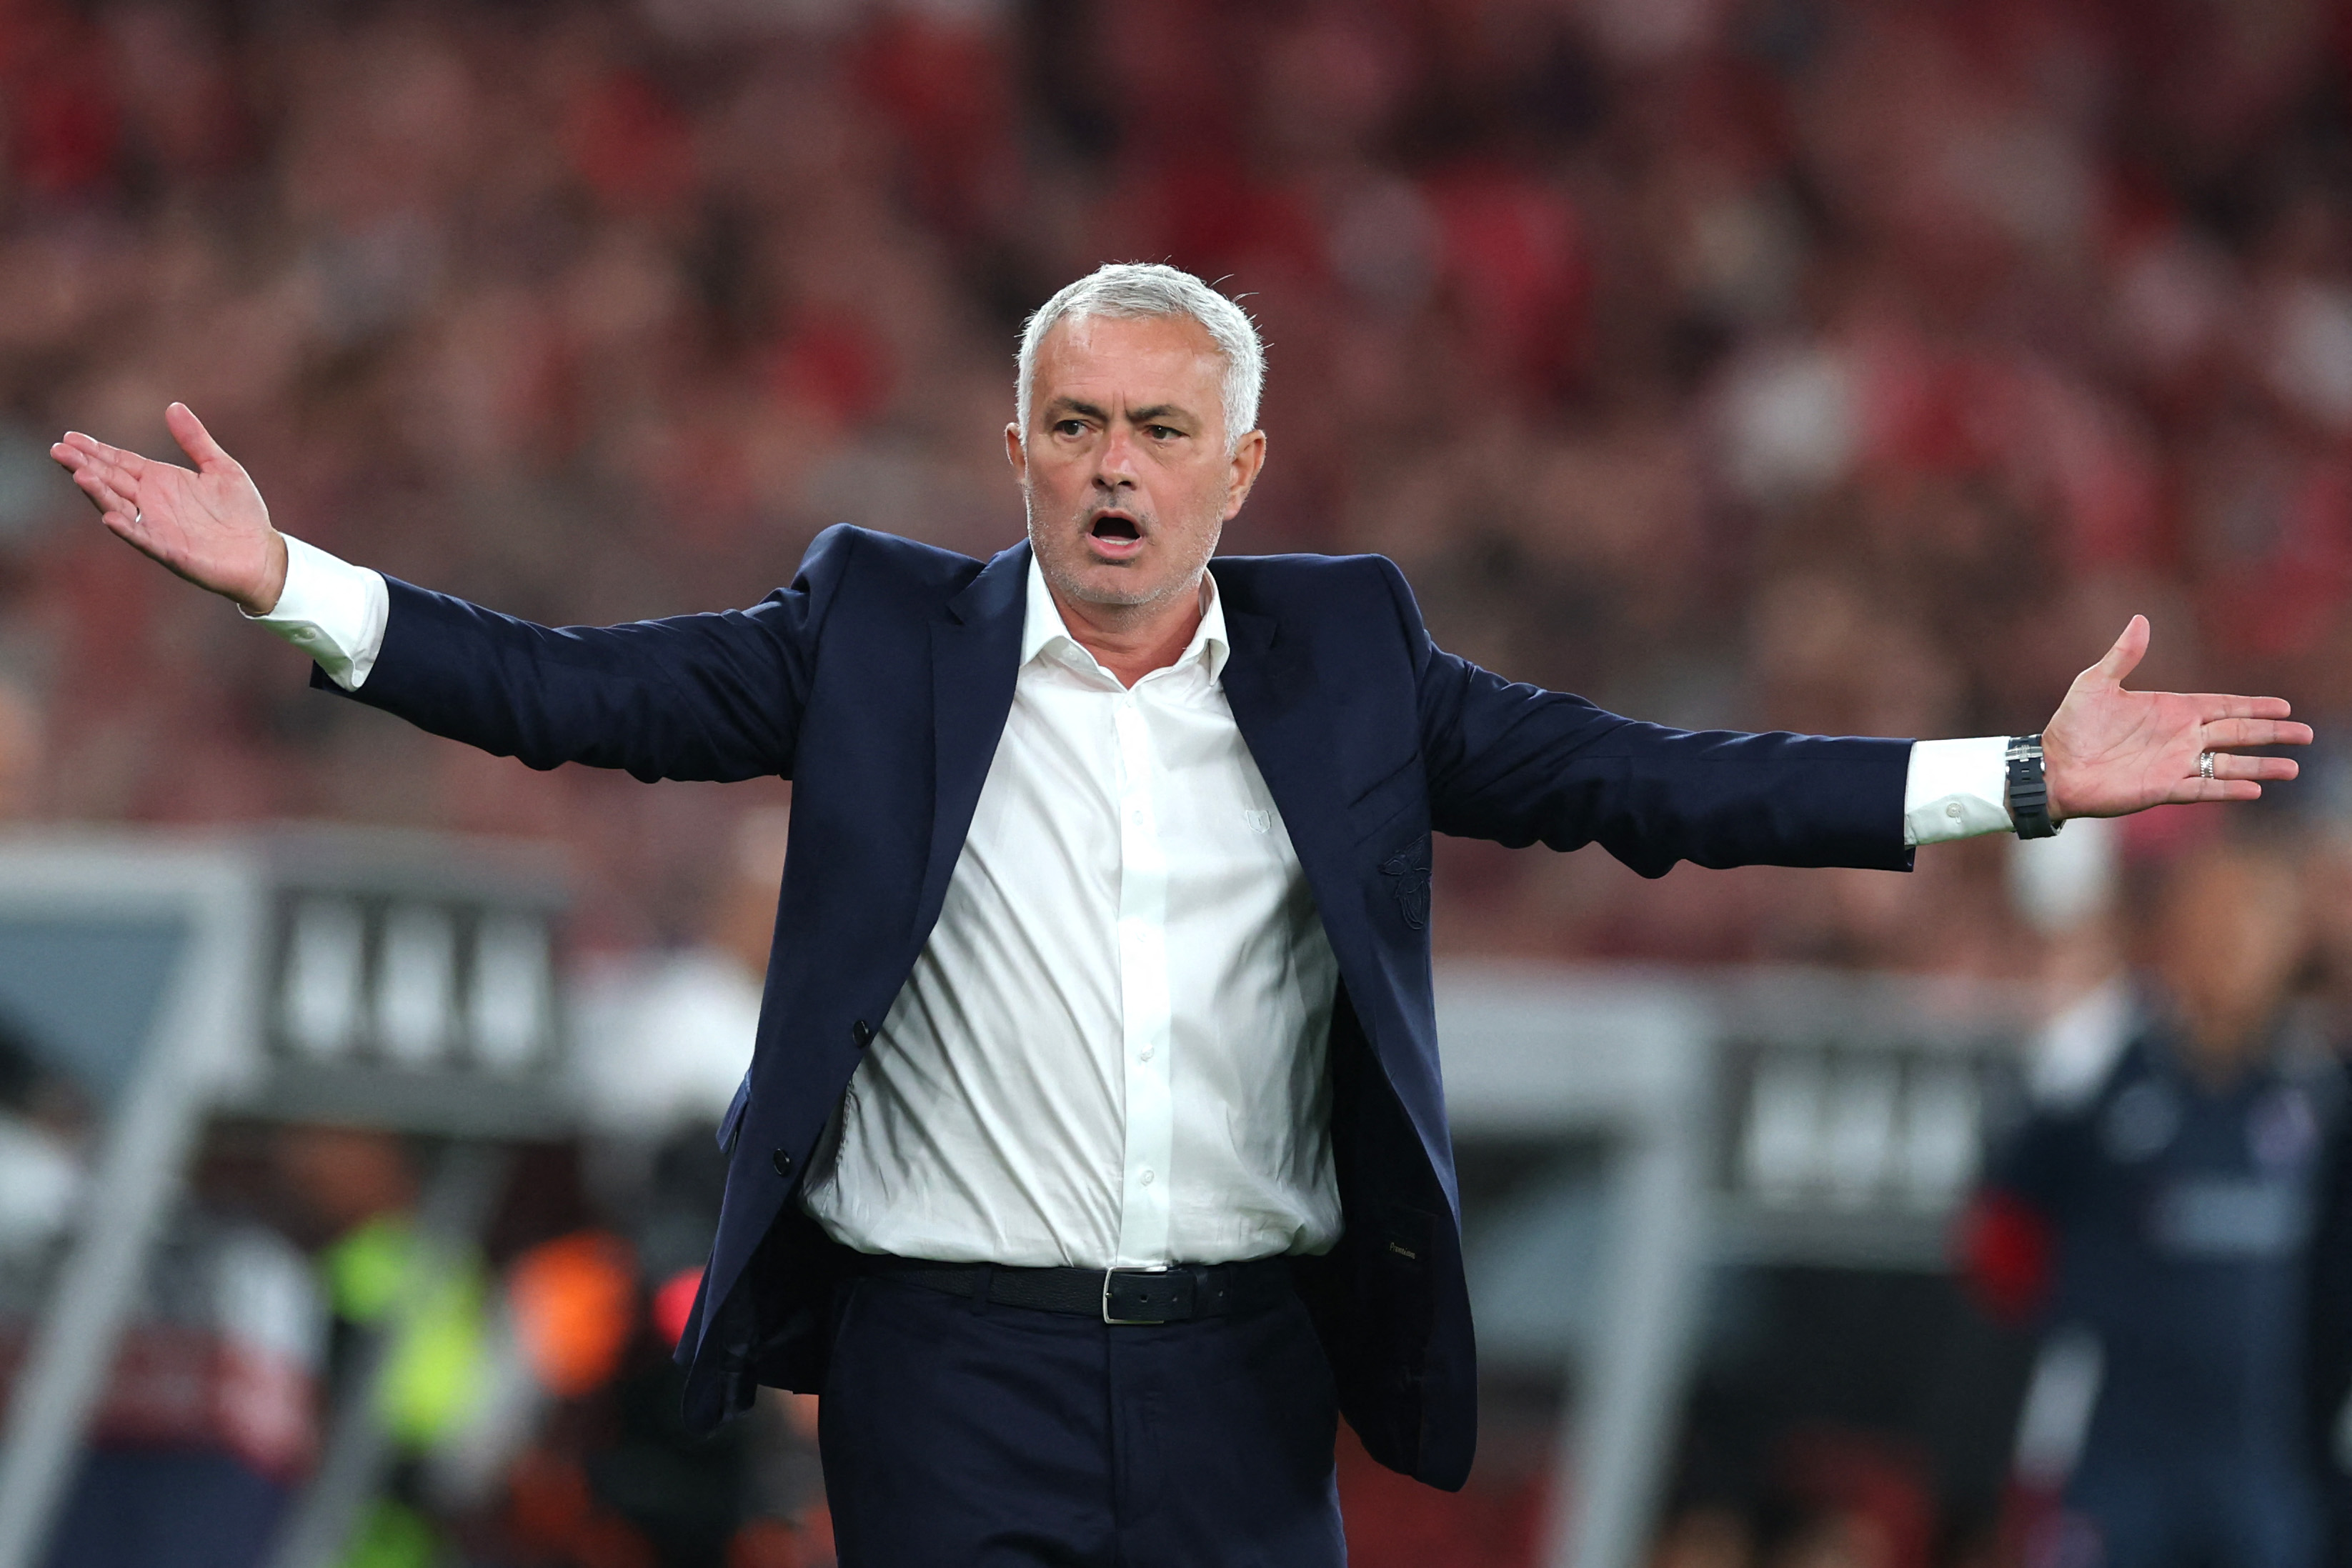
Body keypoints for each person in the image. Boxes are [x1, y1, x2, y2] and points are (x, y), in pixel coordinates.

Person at [51, 263, 2309, 1567]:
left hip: (1240, 1363)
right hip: (944, 1364)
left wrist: (2010, 779)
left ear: (1238, 468)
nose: (1111, 464)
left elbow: (1658, 785)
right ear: (1013, 449)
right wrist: (297, 586)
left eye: (1157, 426)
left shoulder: (1348, 659)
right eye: (1070, 423)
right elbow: (567, 694)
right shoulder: (871, 636)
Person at [1965, 838, 2339, 1568]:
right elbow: (1999, 1233)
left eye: (2258, 921)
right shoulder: (2099, 1069)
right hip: (2113, 1450)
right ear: (2173, 930)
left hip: (2252, 1455)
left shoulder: (2310, 1087)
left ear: (2288, 944)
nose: (2234, 941)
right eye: (2217, 916)